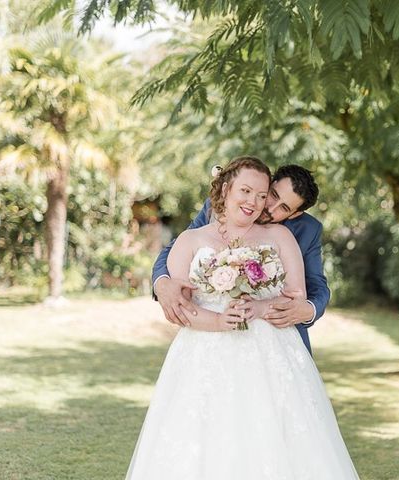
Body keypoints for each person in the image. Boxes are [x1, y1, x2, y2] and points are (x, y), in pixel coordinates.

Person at [125, 156, 359, 479]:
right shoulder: (212, 214)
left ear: (296, 214)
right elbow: (175, 253)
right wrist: (163, 284)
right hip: (204, 349)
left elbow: (311, 287)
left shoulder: (293, 234)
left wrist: (304, 309)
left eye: (278, 206)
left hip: (271, 346)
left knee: (277, 436)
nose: (264, 206)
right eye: (268, 194)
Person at [152, 162, 330, 354]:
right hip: (209, 336)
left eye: (284, 207)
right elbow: (179, 245)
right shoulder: (218, 206)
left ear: (295, 214)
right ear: (268, 184)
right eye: (272, 195)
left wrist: (309, 310)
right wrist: (161, 283)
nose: (269, 207)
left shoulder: (304, 231)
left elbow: (316, 285)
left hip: (274, 340)